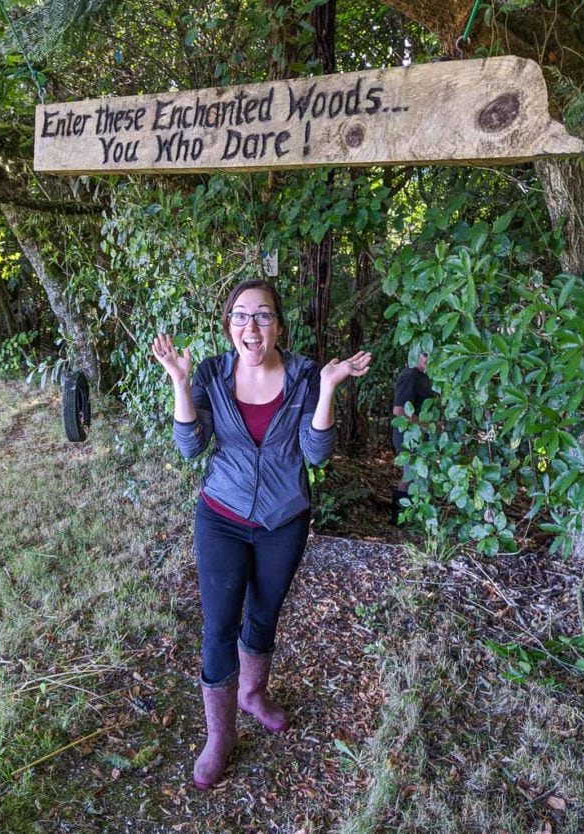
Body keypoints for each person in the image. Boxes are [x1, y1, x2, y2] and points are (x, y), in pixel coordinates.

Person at [152, 279, 372, 790]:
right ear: (228, 324)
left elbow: (315, 454)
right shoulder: (208, 371)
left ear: (279, 324)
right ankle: (219, 735)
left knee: (265, 613)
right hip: (221, 516)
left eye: (264, 315)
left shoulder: (303, 376)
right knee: (219, 628)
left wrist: (329, 387)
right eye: (241, 316)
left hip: (283, 520)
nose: (252, 327)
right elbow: (191, 447)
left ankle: (253, 695)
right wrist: (180, 383)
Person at [391, 351, 435, 524]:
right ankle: (398, 518)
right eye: (426, 355)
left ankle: (410, 517)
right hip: (407, 436)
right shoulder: (409, 375)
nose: (429, 359)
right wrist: (424, 425)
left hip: (419, 435)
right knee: (411, 475)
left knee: (416, 476)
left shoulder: (423, 376)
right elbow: (399, 411)